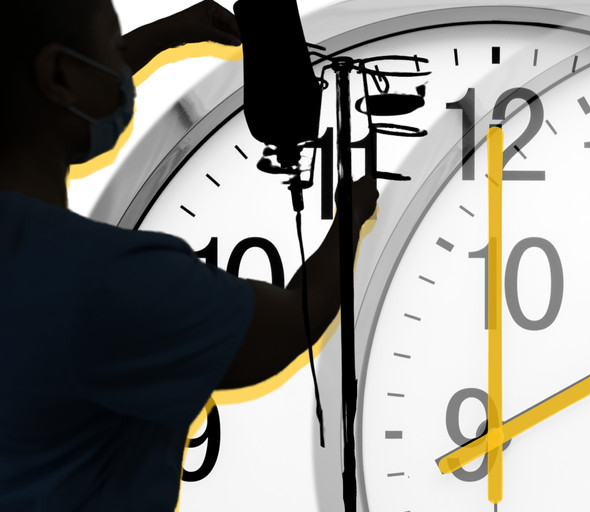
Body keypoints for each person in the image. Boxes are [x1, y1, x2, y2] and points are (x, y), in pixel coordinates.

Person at [0, 0, 378, 510]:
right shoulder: (107, 282)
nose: (121, 73)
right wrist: (350, 219)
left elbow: (58, 81)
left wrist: (169, 35)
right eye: (113, 48)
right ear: (60, 76)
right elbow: (292, 323)